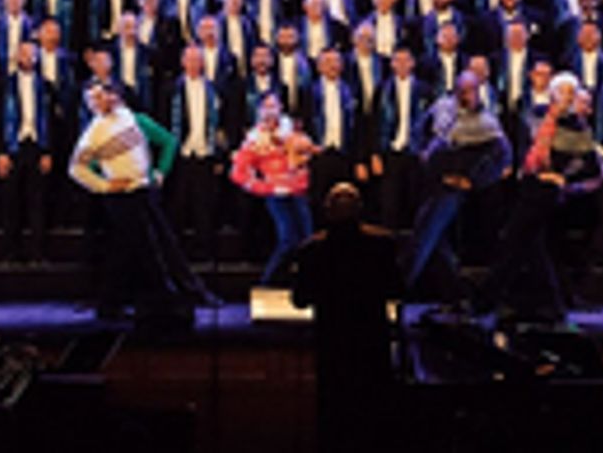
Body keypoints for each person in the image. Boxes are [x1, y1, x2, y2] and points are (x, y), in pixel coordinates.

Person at [68, 83, 216, 319]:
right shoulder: (93, 133)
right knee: (143, 249)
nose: (103, 99)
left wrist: (157, 173)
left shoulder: (129, 117)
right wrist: (105, 185)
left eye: (105, 94)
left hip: (143, 191)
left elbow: (164, 141)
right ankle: (156, 302)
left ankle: (116, 305)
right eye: (96, 98)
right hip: (121, 198)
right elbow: (76, 169)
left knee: (141, 247)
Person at [475, 74, 603, 319]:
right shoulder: (536, 114)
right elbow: (524, 145)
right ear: (553, 93)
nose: (566, 96)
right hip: (528, 185)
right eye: (562, 91)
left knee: (515, 242)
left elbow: (590, 166)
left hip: (549, 193)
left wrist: (563, 178)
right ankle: (552, 303)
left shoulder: (576, 125)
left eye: (571, 91)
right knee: (533, 249)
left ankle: (487, 299)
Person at [292, 184, 400, 453]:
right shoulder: (383, 243)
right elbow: (397, 288)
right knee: (374, 411)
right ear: (361, 210)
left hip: (332, 340)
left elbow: (300, 299)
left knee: (334, 412)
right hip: (372, 339)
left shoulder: (311, 249)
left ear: (326, 211)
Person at [402, 71, 512, 296]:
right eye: (461, 90)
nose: (464, 95)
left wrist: (472, 181)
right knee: (436, 242)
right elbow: (419, 130)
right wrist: (421, 152)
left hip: (449, 187)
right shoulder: (442, 107)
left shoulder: (486, 123)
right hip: (428, 181)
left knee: (425, 237)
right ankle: (457, 293)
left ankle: (399, 289)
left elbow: (503, 157)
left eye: (470, 91)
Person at [229, 92, 318, 285]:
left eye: (274, 106)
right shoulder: (255, 140)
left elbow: (309, 155)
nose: (270, 112)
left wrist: (301, 170)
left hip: (298, 191)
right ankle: (266, 283)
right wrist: (265, 187)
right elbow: (238, 173)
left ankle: (310, 285)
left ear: (281, 109)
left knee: (308, 240)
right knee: (287, 239)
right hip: (276, 193)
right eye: (266, 107)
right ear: (260, 111)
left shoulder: (293, 133)